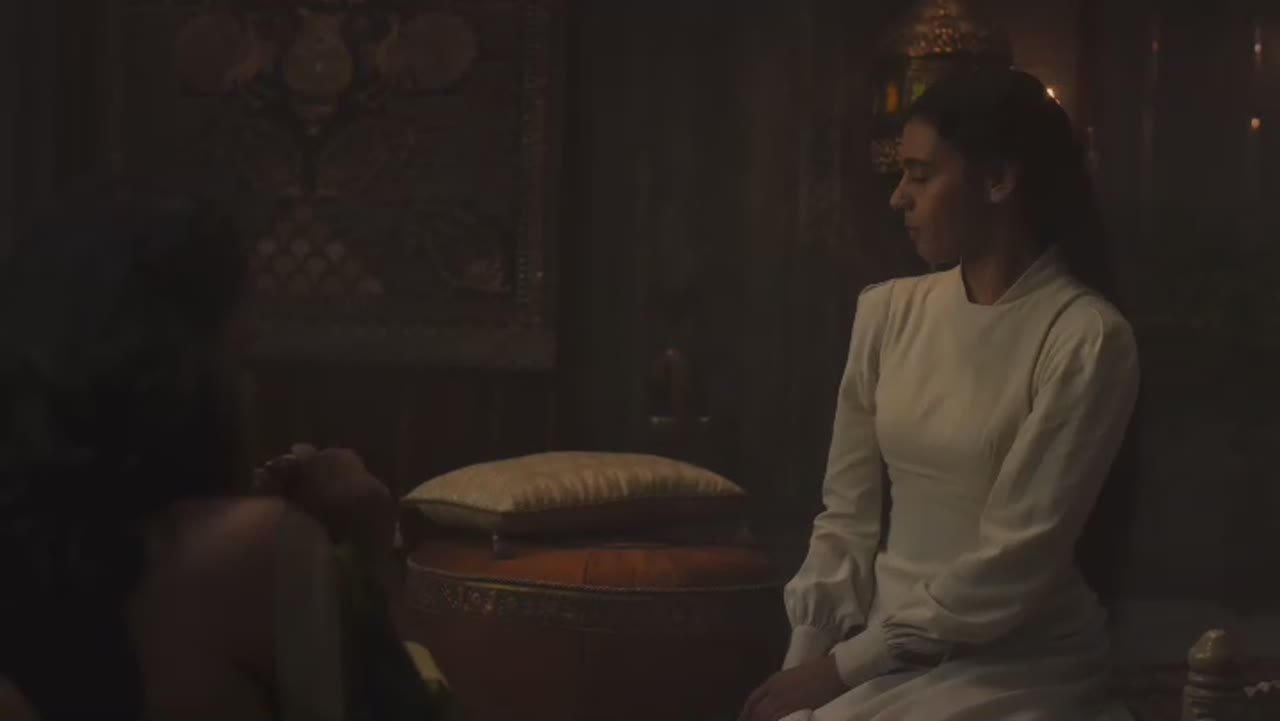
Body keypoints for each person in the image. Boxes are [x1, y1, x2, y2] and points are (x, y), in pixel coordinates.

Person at [739, 67, 1141, 721]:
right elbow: (847, 517)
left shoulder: (1085, 338)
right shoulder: (888, 312)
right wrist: (803, 662)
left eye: (920, 176)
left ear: (997, 180)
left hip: (1013, 659)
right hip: (878, 648)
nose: (898, 198)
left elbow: (1015, 559)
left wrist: (843, 668)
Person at [0, 182, 459, 720]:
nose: (249, 389)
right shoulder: (251, 550)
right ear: (180, 374)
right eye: (241, 357)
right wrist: (369, 554)